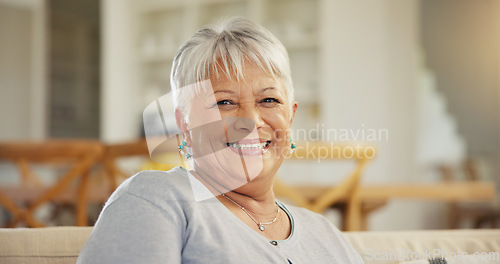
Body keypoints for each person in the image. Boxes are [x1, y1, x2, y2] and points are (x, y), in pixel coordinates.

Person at [77, 17, 364, 264]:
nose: (250, 121)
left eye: (268, 100)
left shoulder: (326, 235)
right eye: (225, 102)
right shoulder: (157, 199)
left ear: (289, 117)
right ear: (184, 123)